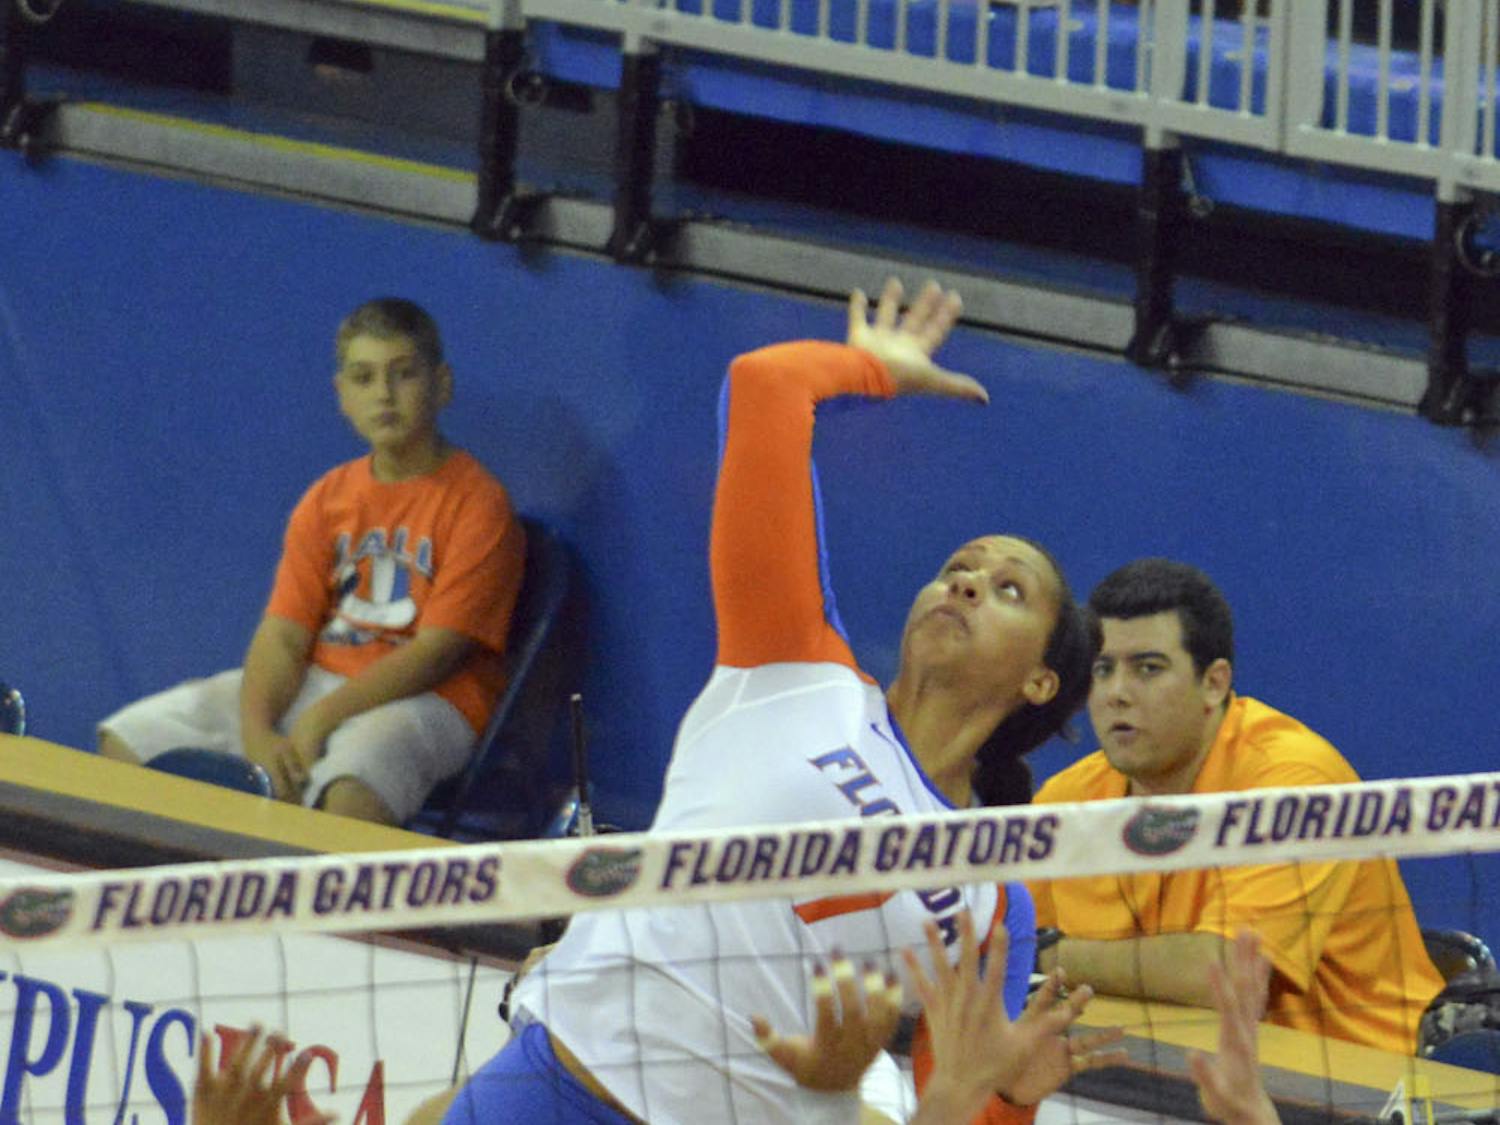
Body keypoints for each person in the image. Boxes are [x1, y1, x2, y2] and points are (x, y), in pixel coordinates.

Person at [447, 279, 1097, 1124]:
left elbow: (963, 1107)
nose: (967, 582)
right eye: (959, 567)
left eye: (1009, 589)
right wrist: (868, 366)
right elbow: (765, 385)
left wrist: (1010, 1095)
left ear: (1039, 682)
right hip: (559, 1094)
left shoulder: (990, 896)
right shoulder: (793, 663)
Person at [98, 298, 526, 826]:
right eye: (363, 378)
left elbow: (437, 653)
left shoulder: (479, 503)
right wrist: (257, 730)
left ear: (442, 386)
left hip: (430, 700)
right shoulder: (327, 497)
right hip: (319, 683)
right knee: (128, 742)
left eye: (404, 374)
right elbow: (283, 635)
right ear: (341, 395)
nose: (384, 395)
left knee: (350, 792)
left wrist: (322, 719)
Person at [1028, 558, 1444, 1053]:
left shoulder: (1296, 784)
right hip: (1159, 1071)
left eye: (1148, 668)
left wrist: (1047, 955)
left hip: (1363, 1088)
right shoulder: (1066, 803)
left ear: (1215, 683)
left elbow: (1224, 975)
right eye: (1102, 669)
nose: (1117, 693)